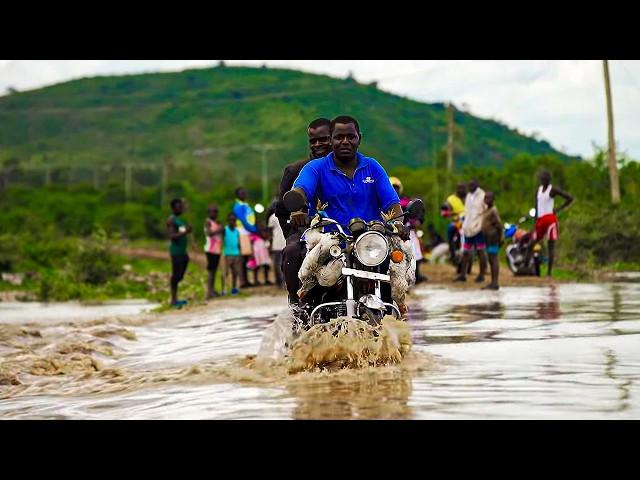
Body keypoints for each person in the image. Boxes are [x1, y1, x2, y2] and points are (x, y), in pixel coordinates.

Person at [288, 115, 405, 304]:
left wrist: (398, 223)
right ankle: (300, 309)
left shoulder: (373, 167)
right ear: (331, 140)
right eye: (339, 137)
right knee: (294, 254)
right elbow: (303, 188)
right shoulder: (316, 168)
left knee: (397, 268)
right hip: (329, 242)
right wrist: (297, 199)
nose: (345, 142)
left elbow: (392, 203)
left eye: (351, 136)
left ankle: (394, 311)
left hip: (370, 241)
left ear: (359, 138)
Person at [277, 118, 333, 303]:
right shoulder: (295, 171)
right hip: (306, 233)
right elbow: (282, 210)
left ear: (334, 138)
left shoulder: (350, 168)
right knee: (292, 251)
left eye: (323, 139)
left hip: (344, 231)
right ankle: (297, 305)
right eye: (313, 141)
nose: (318, 144)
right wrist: (295, 228)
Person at [530, 170, 574, 277]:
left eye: (545, 179)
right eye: (541, 178)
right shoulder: (538, 190)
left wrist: (558, 209)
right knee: (533, 242)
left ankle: (549, 272)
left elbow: (569, 198)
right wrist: (534, 223)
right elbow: (536, 206)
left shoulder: (552, 189)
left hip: (550, 220)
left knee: (551, 246)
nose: (543, 180)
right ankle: (529, 266)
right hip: (540, 219)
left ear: (548, 180)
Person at [390, 176, 426, 283]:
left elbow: (415, 214)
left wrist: (414, 223)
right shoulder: (381, 201)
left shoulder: (405, 201)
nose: (395, 189)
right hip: (385, 230)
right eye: (392, 187)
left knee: (414, 250)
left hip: (405, 230)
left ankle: (416, 274)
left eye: (397, 187)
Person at [455, 179, 488, 283]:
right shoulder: (469, 196)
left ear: (477, 185)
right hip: (468, 228)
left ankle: (482, 275)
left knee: (480, 251)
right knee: (466, 252)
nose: (470, 187)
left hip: (478, 228)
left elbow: (486, 211)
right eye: (469, 185)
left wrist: (482, 225)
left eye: (472, 185)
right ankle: (463, 275)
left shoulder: (483, 196)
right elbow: (467, 211)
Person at [166, 198, 192, 307]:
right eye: (179, 207)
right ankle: (173, 300)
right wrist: (186, 232)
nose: (181, 208)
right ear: (173, 208)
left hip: (182, 251)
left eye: (181, 206)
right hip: (176, 252)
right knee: (176, 276)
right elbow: (172, 236)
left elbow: (181, 233)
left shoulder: (179, 219)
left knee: (180, 275)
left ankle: (175, 299)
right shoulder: (171, 220)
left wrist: (186, 231)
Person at [232, 187, 257, 288]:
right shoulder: (238, 206)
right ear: (237, 195)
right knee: (242, 258)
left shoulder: (244, 204)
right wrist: (253, 229)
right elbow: (243, 220)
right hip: (242, 231)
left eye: (244, 192)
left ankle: (246, 280)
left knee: (246, 257)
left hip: (247, 232)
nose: (244, 194)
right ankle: (242, 281)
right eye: (241, 193)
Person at [480, 191, 503, 290]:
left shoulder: (493, 211)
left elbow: (499, 225)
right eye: (485, 198)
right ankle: (493, 282)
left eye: (489, 198)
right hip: (488, 238)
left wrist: (501, 238)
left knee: (493, 259)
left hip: (493, 238)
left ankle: (495, 283)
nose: (486, 200)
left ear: (493, 200)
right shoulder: (487, 210)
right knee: (490, 259)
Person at [203, 204, 224, 300]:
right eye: (212, 211)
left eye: (216, 211)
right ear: (208, 212)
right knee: (211, 270)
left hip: (217, 250)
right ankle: (209, 291)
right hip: (210, 250)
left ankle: (212, 290)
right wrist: (219, 230)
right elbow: (209, 233)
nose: (214, 213)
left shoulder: (217, 222)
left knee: (214, 270)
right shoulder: (208, 222)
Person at [222, 213, 242, 295]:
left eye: (234, 220)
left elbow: (239, 243)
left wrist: (240, 253)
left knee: (235, 272)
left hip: (236, 254)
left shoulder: (237, 231)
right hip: (227, 254)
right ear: (228, 221)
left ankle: (234, 288)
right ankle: (224, 289)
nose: (232, 222)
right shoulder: (225, 230)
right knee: (225, 272)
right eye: (230, 220)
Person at [267, 207, 286, 287]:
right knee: (282, 264)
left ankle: (281, 282)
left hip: (280, 243)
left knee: (280, 264)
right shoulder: (285, 214)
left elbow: (270, 232)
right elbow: (270, 232)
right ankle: (282, 282)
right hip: (281, 243)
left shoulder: (273, 217)